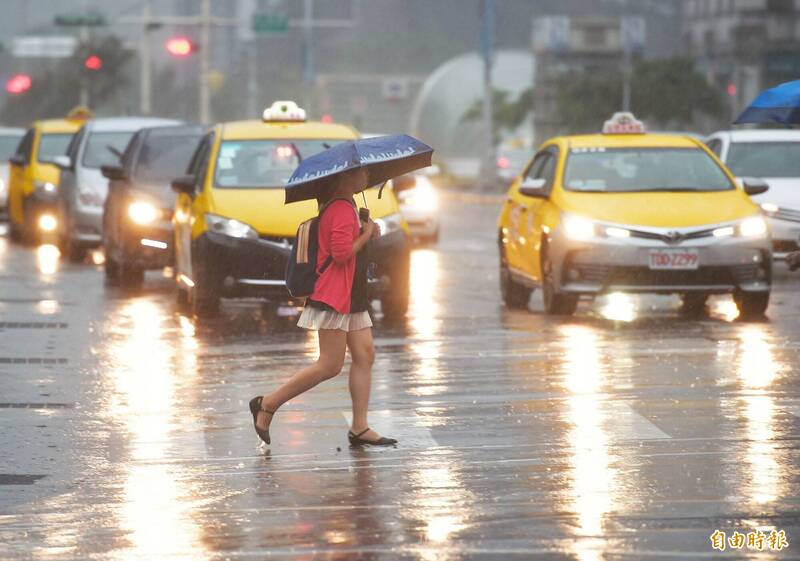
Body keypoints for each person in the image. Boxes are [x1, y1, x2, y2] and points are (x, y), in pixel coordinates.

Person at [249, 167, 398, 447]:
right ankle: (267, 404)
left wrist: (366, 230)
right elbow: (341, 254)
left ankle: (360, 427)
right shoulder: (340, 209)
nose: (366, 178)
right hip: (334, 296)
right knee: (330, 365)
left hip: (351, 295)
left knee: (365, 354)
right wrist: (366, 234)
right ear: (344, 179)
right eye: (361, 174)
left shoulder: (346, 206)